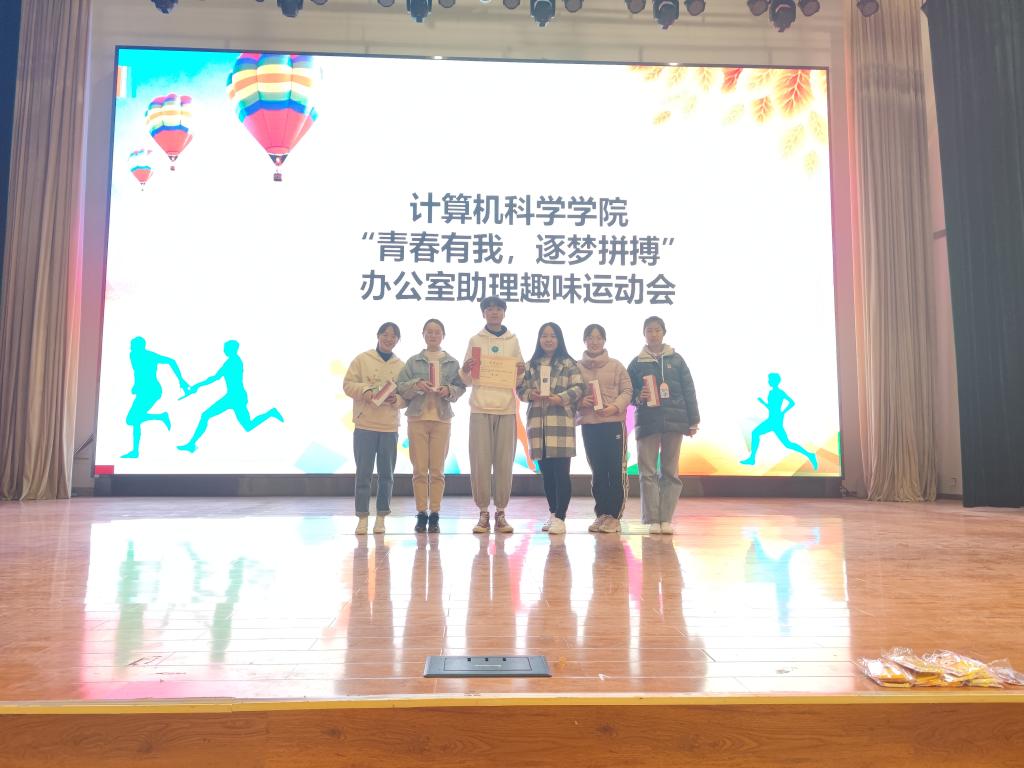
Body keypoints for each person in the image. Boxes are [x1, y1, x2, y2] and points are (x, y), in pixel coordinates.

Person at [627, 316, 700, 535]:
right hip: (647, 422)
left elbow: (689, 390)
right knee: (647, 472)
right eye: (649, 330)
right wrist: (639, 395)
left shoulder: (677, 360)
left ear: (664, 332)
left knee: (670, 472)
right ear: (644, 334)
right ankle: (652, 520)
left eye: (657, 330)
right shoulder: (636, 363)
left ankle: (666, 519)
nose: (653, 334)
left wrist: (693, 420)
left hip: (675, 422)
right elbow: (627, 392)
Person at [460, 296, 525, 535]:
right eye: (489, 309)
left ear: (504, 313)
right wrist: (465, 370)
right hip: (480, 407)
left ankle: (501, 513)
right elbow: (468, 379)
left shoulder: (513, 340)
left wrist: (521, 372)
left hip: (506, 408)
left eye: (498, 309)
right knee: (480, 462)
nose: (494, 313)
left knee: (504, 462)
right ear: (483, 313)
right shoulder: (475, 340)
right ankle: (482, 513)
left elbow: (518, 377)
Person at [396, 319, 466, 534]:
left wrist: (448, 390)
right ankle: (421, 513)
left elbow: (460, 387)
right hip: (417, 419)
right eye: (429, 332)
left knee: (437, 471)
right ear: (423, 335)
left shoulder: (452, 362)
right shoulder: (413, 361)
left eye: (437, 332)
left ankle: (434, 513)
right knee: (419, 470)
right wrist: (416, 385)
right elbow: (401, 386)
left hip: (442, 419)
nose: (433, 335)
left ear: (443, 335)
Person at [518, 323, 585, 535]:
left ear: (559, 339)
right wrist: (531, 394)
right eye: (544, 336)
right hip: (538, 424)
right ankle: (553, 513)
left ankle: (561, 517)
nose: (548, 340)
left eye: (553, 336)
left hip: (560, 423)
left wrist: (560, 398)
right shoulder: (530, 365)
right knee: (546, 474)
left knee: (561, 473)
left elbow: (579, 388)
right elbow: (520, 390)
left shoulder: (569, 363)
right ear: (539, 339)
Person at [342, 322, 405, 535]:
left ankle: (381, 517)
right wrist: (365, 390)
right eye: (385, 334)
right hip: (365, 424)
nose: (389, 339)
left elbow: (406, 396)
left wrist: (398, 400)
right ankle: (362, 517)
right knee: (363, 474)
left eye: (393, 336)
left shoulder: (401, 366)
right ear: (378, 336)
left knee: (387, 475)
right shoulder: (362, 359)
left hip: (389, 427)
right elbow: (348, 384)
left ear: (398, 340)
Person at [177, 340, 282, 453]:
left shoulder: (232, 362)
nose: (224, 350)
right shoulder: (233, 361)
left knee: (207, 416)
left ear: (231, 349)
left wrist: (197, 385)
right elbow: (215, 377)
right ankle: (191, 444)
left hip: (235, 397)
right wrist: (198, 386)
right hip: (235, 397)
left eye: (225, 348)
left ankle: (271, 413)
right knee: (246, 425)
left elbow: (215, 377)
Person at [577, 323, 633, 533]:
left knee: (615, 470)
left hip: (613, 424)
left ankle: (615, 516)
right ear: (585, 341)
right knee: (598, 471)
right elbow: (571, 392)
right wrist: (580, 401)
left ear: (604, 340)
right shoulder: (576, 367)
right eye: (590, 338)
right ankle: (601, 514)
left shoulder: (616, 365)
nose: (594, 341)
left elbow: (627, 391)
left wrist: (614, 407)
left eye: (598, 337)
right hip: (590, 425)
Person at [122, 336, 189, 458]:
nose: (130, 347)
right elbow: (139, 372)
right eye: (131, 345)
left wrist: (181, 380)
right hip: (144, 391)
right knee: (133, 419)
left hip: (152, 391)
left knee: (133, 419)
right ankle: (160, 417)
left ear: (140, 346)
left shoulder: (150, 356)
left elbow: (171, 361)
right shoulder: (133, 355)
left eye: (133, 346)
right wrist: (136, 386)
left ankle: (135, 451)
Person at [739, 372, 819, 470]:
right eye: (769, 379)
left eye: (770, 380)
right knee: (760, 434)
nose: (769, 381)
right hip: (771, 420)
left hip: (775, 421)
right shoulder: (771, 392)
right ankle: (752, 459)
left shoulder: (780, 392)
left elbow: (792, 402)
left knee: (786, 443)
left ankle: (810, 455)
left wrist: (783, 412)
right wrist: (763, 402)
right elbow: (771, 408)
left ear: (775, 381)